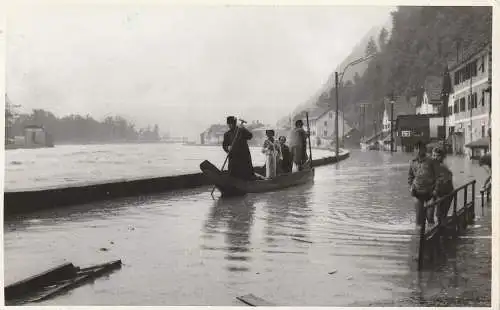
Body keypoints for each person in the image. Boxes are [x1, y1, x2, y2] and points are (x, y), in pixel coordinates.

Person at [408, 140, 439, 226]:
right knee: (419, 220)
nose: (418, 150)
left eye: (420, 148)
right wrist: (411, 187)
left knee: (430, 218)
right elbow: (410, 177)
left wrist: (436, 190)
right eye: (416, 148)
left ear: (424, 149)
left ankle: (432, 234)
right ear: (414, 150)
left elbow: (438, 177)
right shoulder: (412, 162)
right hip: (417, 193)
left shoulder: (431, 161)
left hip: (430, 193)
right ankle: (419, 236)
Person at [222, 116, 254, 180]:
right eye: (229, 124)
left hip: (243, 157)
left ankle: (247, 184)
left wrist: (244, 129)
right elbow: (224, 145)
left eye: (232, 124)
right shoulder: (227, 134)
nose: (230, 125)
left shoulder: (241, 131)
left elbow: (250, 136)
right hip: (233, 158)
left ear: (235, 123)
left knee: (245, 174)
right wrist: (227, 148)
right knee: (233, 174)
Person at [431, 147, 454, 225]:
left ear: (442, 157)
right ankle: (439, 227)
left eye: (437, 156)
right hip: (439, 192)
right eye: (433, 155)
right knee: (437, 214)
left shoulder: (442, 167)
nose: (435, 157)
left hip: (446, 192)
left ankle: (442, 231)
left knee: (441, 215)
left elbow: (444, 181)